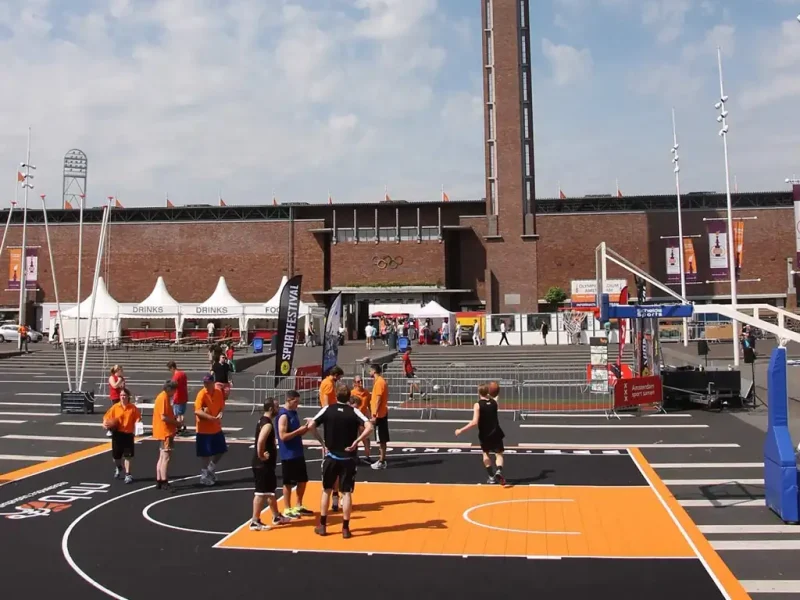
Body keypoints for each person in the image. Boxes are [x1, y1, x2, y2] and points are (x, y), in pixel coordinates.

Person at [306, 382, 373, 538]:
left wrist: (322, 442)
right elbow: (369, 426)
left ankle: (322, 525)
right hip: (348, 457)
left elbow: (310, 425)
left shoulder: (328, 409)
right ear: (349, 397)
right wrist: (357, 441)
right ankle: (345, 528)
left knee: (326, 490)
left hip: (331, 455)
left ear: (335, 395)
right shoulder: (354, 412)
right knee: (347, 492)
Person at [250, 398, 292, 531]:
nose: (278, 409)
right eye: (276, 407)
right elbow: (260, 441)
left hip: (266, 464)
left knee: (270, 492)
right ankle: (255, 521)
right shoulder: (267, 424)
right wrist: (261, 455)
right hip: (262, 464)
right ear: (270, 409)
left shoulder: (263, 421)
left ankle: (276, 516)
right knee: (260, 493)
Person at [455, 383, 505, 485]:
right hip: (496, 432)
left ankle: (491, 476)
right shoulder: (494, 403)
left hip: (484, 434)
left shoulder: (477, 405)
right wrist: (495, 389)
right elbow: (496, 396)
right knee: (499, 454)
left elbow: (474, 422)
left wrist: (461, 430)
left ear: (478, 393)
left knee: (485, 454)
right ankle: (499, 470)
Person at [277, 390, 313, 518]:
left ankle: (299, 504)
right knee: (288, 482)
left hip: (298, 451)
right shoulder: (283, 416)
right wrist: (298, 431)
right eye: (296, 402)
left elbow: (298, 432)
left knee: (302, 480)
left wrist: (306, 428)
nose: (298, 404)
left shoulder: (294, 413)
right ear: (289, 400)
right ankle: (287, 508)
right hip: (288, 454)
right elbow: (283, 436)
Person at [102, 387, 141, 484]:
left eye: (124, 395)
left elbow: (138, 418)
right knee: (116, 457)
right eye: (121, 395)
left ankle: (128, 474)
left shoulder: (132, 408)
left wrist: (137, 424)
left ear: (128, 397)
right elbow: (106, 417)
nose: (123, 397)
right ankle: (119, 467)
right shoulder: (115, 407)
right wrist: (105, 424)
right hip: (117, 434)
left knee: (128, 456)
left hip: (128, 434)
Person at [195, 374, 227, 486]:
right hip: (204, 429)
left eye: (208, 383)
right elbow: (197, 411)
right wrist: (211, 418)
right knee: (205, 454)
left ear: (213, 383)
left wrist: (220, 413)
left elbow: (222, 406)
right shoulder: (202, 394)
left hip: (216, 427)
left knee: (221, 449)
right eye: (205, 383)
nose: (206, 385)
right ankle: (204, 475)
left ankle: (211, 468)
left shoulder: (218, 393)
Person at [153, 380, 180, 491]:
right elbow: (163, 417)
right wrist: (176, 423)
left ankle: (159, 480)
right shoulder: (164, 398)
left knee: (161, 456)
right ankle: (164, 481)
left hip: (162, 431)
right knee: (166, 457)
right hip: (166, 432)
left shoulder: (161, 396)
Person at [369, 363, 389, 470]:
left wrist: (374, 415)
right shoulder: (379, 382)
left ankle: (382, 461)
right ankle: (382, 459)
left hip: (380, 415)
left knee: (381, 439)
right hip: (380, 414)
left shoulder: (379, 383)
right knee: (381, 438)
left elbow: (378, 399)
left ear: (374, 371)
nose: (369, 372)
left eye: (370, 370)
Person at [350, 376, 372, 463]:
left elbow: (369, 405)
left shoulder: (366, 393)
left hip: (362, 418)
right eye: (358, 381)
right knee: (353, 437)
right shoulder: (352, 393)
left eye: (361, 381)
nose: (360, 383)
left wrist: (371, 416)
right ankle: (354, 455)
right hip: (353, 418)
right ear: (354, 383)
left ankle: (367, 455)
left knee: (365, 438)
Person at [167, 360, 189, 436]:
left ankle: (179, 428)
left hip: (178, 397)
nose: (170, 371)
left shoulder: (175, 376)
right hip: (184, 396)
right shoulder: (183, 374)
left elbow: (172, 387)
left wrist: (172, 398)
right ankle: (183, 426)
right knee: (182, 413)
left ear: (172, 368)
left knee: (177, 414)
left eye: (170, 369)